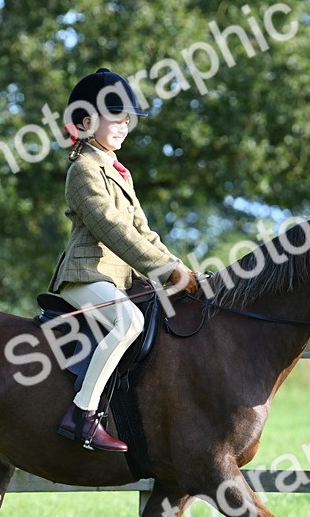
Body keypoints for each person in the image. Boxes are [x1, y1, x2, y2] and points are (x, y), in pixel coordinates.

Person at [49, 68, 198, 452]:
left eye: (126, 119)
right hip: (85, 276)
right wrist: (166, 271)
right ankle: (82, 414)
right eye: (114, 117)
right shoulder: (83, 170)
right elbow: (112, 229)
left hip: (118, 280)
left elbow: (143, 232)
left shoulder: (119, 173)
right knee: (128, 320)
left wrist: (181, 269)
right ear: (86, 122)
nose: (123, 126)